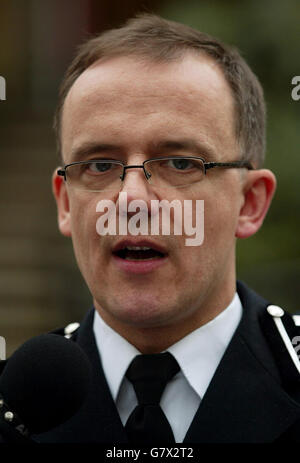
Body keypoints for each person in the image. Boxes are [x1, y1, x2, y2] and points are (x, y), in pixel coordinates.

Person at [35, 14, 300, 443]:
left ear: (249, 203)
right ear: (66, 202)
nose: (132, 200)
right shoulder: (17, 405)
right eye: (100, 165)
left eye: (180, 163)